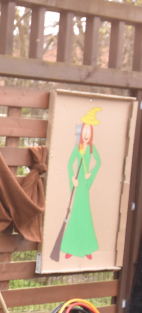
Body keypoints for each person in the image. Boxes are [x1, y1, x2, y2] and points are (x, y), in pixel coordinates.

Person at [60, 108, 102, 260]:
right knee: (76, 214)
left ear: (91, 133)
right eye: (85, 130)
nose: (86, 133)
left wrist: (90, 174)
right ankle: (70, 248)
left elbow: (99, 162)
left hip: (85, 185)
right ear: (82, 131)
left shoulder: (91, 148)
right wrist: (73, 179)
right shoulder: (78, 148)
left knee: (85, 215)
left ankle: (87, 248)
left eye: (89, 131)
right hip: (78, 185)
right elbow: (70, 164)